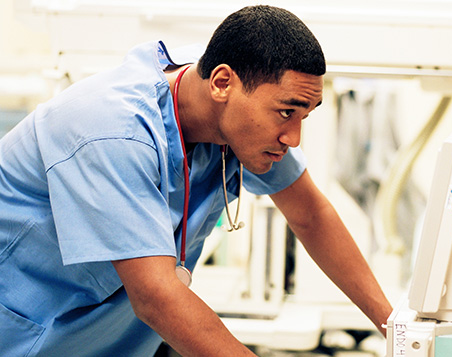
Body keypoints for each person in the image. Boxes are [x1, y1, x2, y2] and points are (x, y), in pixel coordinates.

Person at [0, 5, 393, 356]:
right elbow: (156, 297)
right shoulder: (111, 131)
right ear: (222, 84)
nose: (293, 138)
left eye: (303, 115)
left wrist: (398, 329)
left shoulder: (227, 97)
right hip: (20, 334)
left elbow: (310, 214)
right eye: (286, 112)